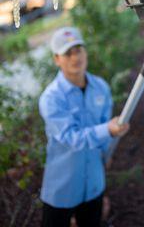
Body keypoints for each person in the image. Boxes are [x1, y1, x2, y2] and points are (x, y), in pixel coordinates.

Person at [39, 27, 129, 227]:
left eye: (78, 50)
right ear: (57, 59)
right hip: (62, 186)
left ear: (85, 52)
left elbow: (105, 134)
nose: (75, 57)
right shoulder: (51, 98)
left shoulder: (101, 87)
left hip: (94, 184)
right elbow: (72, 137)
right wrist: (108, 130)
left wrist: (107, 152)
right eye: (67, 53)